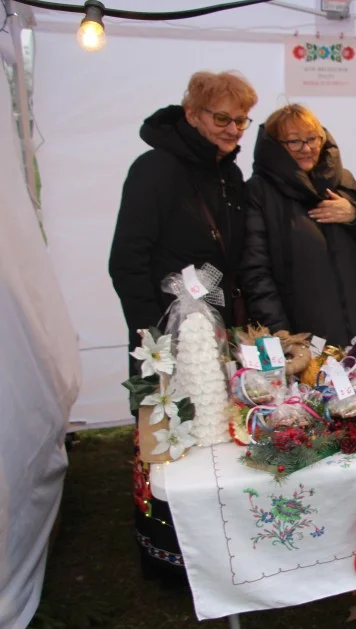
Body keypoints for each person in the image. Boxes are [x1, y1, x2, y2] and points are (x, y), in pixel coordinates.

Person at [108, 70, 258, 587]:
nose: (233, 128)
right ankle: (168, 558)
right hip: (164, 333)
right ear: (192, 114)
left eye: (241, 120)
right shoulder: (155, 169)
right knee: (167, 441)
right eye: (222, 118)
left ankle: (223, 548)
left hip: (214, 326)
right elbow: (127, 260)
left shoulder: (228, 175)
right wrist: (151, 338)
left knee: (216, 430)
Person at [239, 104, 356, 345]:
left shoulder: (343, 181)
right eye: (294, 142)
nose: (307, 149)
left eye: (313, 139)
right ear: (276, 147)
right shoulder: (259, 192)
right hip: (302, 340)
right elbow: (256, 274)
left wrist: (355, 215)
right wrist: (282, 336)